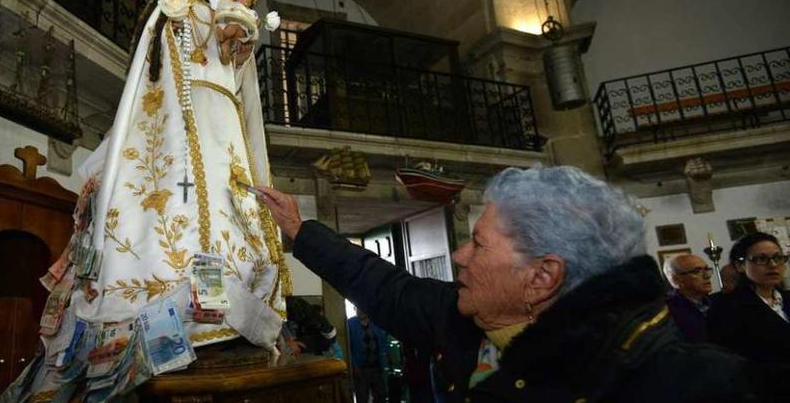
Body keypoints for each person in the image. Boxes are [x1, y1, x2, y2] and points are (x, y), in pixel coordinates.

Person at [3, 0, 290, 400]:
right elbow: (157, 62)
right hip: (183, 108)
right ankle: (172, 308)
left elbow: (230, 63)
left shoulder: (216, 8)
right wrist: (182, 28)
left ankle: (232, 307)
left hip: (219, 115)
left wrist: (238, 30)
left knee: (228, 199)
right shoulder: (172, 6)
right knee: (178, 200)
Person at [257, 166, 776, 402]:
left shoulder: (694, 386)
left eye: (479, 244)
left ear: (542, 277)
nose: (459, 255)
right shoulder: (470, 320)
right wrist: (302, 231)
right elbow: (389, 288)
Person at [708, 232, 790, 364]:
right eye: (761, 259)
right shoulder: (726, 307)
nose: (773, 265)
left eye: (778, 258)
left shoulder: (786, 298)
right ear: (740, 265)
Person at [662, 253, 714, 342]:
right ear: (677, 280)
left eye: (706, 269)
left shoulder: (717, 302)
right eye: (696, 271)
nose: (707, 276)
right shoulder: (668, 312)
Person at [348, 308, 389, 403]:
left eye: (362, 308)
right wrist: (354, 365)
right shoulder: (350, 324)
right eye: (358, 308)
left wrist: (386, 355)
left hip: (376, 367)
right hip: (361, 369)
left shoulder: (375, 323)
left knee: (381, 395)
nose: (360, 310)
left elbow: (383, 341)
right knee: (362, 397)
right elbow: (348, 347)